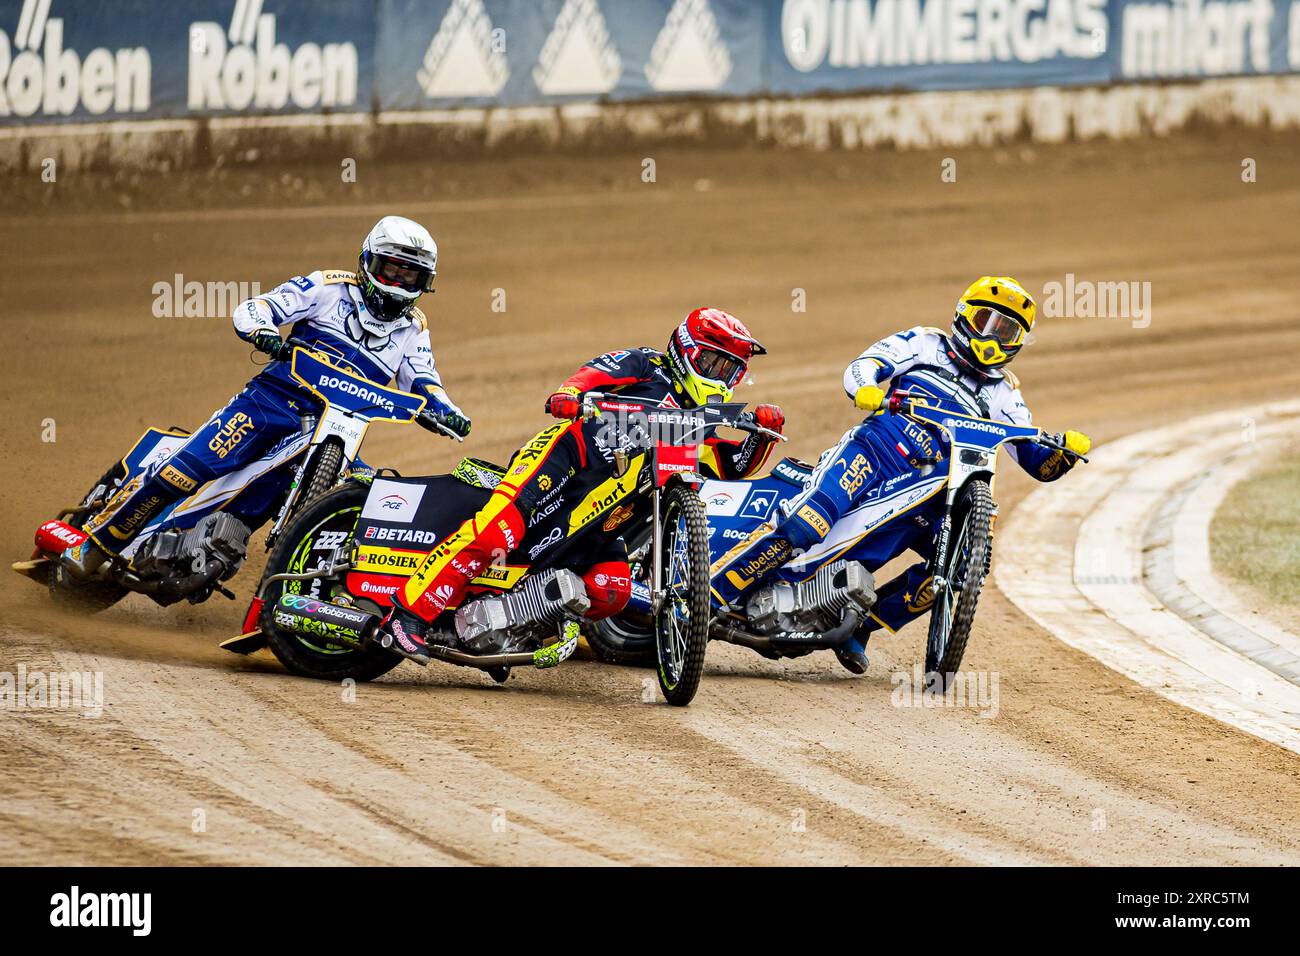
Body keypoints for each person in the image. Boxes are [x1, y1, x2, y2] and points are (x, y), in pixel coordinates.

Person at [711, 276, 1091, 674]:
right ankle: (709, 597)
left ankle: (862, 626)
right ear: (965, 315)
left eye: (1007, 330)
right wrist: (868, 389)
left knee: (960, 570)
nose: (993, 338)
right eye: (986, 322)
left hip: (930, 494)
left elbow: (1034, 459)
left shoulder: (1005, 394)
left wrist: (1065, 451)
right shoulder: (927, 343)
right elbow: (865, 366)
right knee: (808, 523)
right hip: (873, 452)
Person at [63, 215, 469, 578]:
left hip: (340, 429)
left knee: (366, 499)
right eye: (391, 271)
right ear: (366, 262)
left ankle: (302, 598)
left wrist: (447, 412)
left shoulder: (414, 327)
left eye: (410, 277)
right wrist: (265, 332)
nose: (398, 284)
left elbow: (424, 379)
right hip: (271, 403)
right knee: (186, 469)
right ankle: (96, 547)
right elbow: (257, 308)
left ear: (424, 284)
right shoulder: (327, 286)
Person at [377, 307, 785, 661]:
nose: (721, 376)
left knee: (614, 591)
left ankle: (522, 625)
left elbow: (730, 465)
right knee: (494, 535)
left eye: (730, 369)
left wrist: (761, 435)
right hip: (565, 462)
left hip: (602, 519)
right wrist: (570, 393)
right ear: (686, 351)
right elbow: (593, 373)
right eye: (714, 363)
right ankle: (405, 615)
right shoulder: (646, 364)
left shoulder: (699, 419)